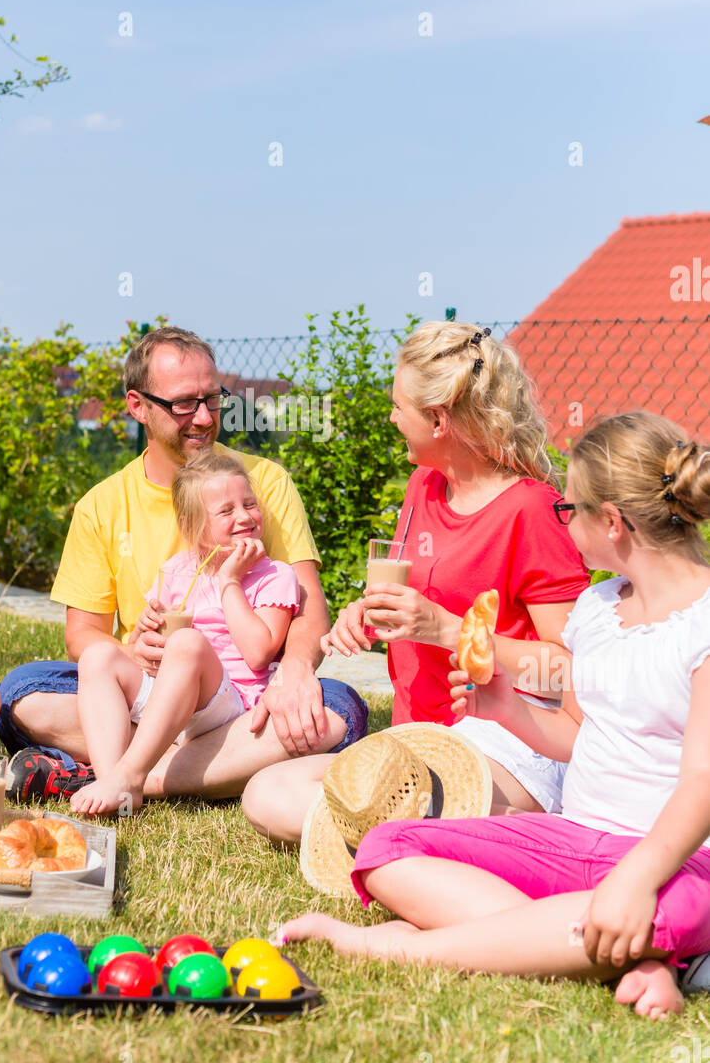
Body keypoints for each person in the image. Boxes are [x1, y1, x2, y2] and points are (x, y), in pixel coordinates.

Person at [278, 413, 710, 1021]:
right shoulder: (598, 608)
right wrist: (506, 710)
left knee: (676, 904)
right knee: (387, 848)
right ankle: (627, 950)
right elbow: (580, 739)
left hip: (679, 862)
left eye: (571, 510)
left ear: (611, 523)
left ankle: (405, 949)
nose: (565, 521)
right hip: (577, 842)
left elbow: (701, 782)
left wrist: (635, 883)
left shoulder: (703, 623)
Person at [242, 321, 588, 843]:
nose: (391, 417)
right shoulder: (423, 484)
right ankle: (461, 836)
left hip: (510, 740)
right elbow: (416, 597)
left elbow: (571, 669)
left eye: (398, 407)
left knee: (364, 806)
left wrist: (452, 631)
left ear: (438, 419)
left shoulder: (530, 509)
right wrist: (368, 612)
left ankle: (489, 833)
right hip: (420, 732)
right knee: (268, 794)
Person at [0, 327, 367, 802]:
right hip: (150, 690)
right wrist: (134, 651)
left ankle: (124, 776)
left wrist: (296, 669)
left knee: (337, 706)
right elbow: (82, 636)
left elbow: (310, 608)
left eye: (213, 400)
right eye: (183, 404)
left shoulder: (263, 483)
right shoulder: (102, 504)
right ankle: (196, 766)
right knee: (21, 691)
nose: (203, 418)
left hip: (241, 698)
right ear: (138, 406)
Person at [71, 452, 300, 815]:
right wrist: (142, 635)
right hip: (172, 699)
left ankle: (131, 774)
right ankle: (112, 779)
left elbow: (259, 652)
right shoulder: (178, 571)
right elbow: (147, 647)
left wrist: (230, 582)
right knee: (97, 656)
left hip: (231, 703)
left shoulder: (275, 575)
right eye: (226, 511)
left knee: (189, 642)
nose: (244, 516)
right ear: (192, 525)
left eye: (249, 504)